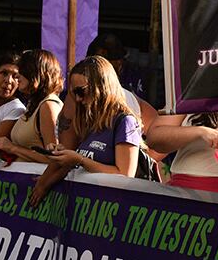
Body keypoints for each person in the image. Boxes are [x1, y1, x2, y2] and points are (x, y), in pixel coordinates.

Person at [28, 56, 141, 205]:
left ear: (101, 86)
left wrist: (80, 160)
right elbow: (77, 162)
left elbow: (125, 175)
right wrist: (59, 155)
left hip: (108, 211)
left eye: (81, 91)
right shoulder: (89, 120)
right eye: (74, 93)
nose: (78, 99)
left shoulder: (125, 122)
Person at [0, 49, 64, 164]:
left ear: (36, 73)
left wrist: (13, 148)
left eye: (23, 71)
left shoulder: (48, 106)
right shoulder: (34, 103)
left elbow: (54, 158)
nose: (17, 76)